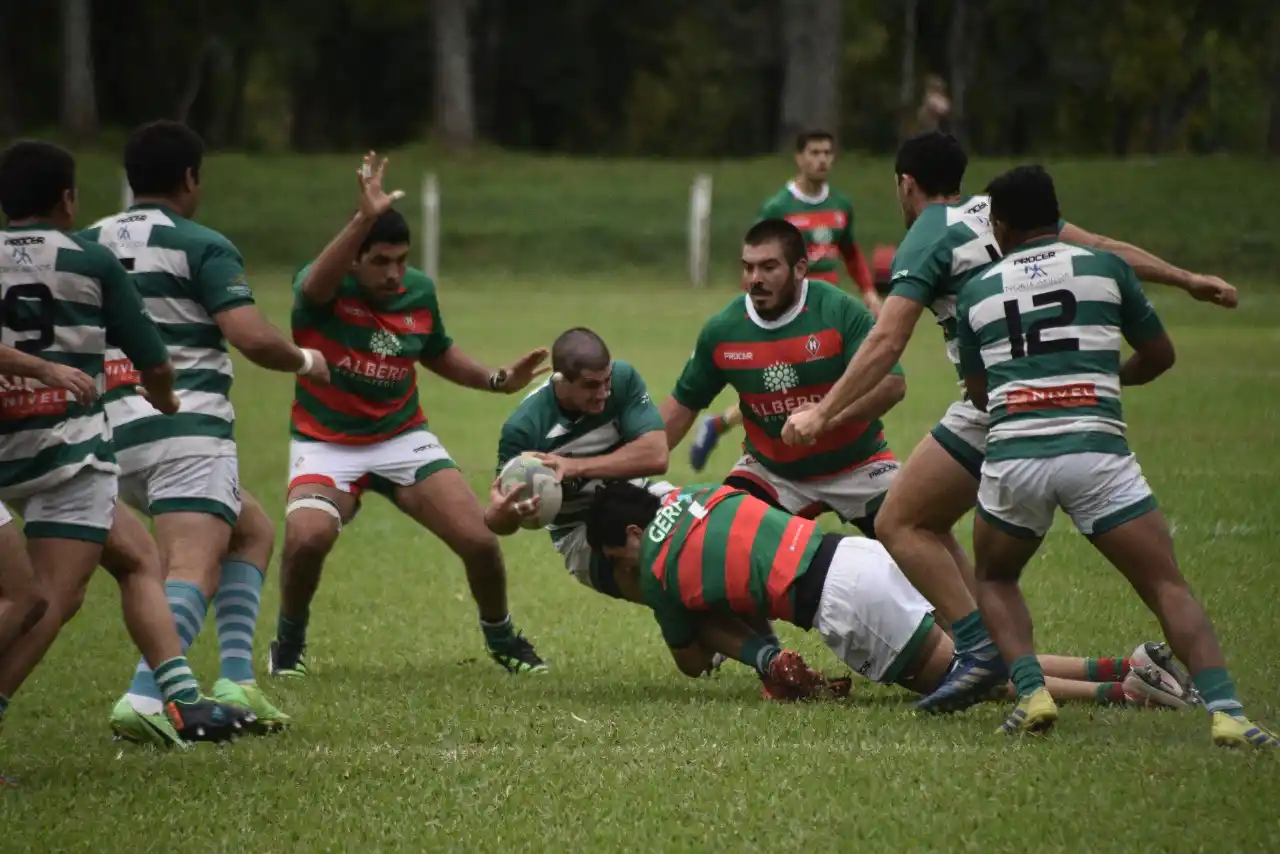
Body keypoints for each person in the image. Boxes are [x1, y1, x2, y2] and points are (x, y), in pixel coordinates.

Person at [781, 132, 1240, 714]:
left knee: (899, 520)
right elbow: (1100, 246)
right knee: (928, 519)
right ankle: (1002, 652)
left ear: (906, 184)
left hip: (997, 405)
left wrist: (822, 412)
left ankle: (979, 651)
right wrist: (1186, 279)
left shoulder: (925, 237)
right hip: (1071, 399)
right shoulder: (995, 215)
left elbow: (887, 337)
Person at [955, 165, 1275, 745]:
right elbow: (1160, 355)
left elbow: (981, 393)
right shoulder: (1107, 268)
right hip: (1097, 452)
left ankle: (1031, 694)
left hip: (1016, 458)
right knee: (1165, 584)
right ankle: (1227, 712)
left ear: (999, 226)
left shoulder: (977, 290)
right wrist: (1102, 380)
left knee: (996, 577)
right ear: (1057, 214)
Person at [0, 140, 253, 751]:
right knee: (40, 600)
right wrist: (165, 400)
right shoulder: (89, 260)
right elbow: (153, 359)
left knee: (136, 555)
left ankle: (182, 699)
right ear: (67, 198)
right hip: (65, 459)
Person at [81, 120, 321, 744]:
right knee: (192, 561)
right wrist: (305, 360)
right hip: (183, 427)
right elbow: (248, 334)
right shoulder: (201, 243)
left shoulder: (86, 242)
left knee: (252, 528)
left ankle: (235, 679)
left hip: (104, 430)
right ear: (190, 178)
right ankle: (143, 694)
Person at [269, 152, 551, 679]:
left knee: (480, 541)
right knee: (307, 539)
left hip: (402, 437)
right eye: (381, 260)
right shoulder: (324, 290)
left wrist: (496, 379)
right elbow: (309, 289)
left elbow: (436, 349)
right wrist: (360, 219)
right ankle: (289, 642)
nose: (396, 273)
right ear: (356, 257)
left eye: (402, 259)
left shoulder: (418, 290)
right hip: (326, 443)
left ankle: (502, 635)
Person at [583, 481, 1194, 710]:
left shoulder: (659, 573)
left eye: (620, 562)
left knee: (975, 679)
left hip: (842, 601)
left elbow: (691, 663)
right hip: (860, 555)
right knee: (976, 655)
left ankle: (1123, 691)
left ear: (634, 535)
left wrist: (672, 607)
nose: (627, 573)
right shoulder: (700, 492)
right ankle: (1127, 665)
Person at [662, 219, 906, 541]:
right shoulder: (723, 331)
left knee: (915, 537)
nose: (754, 280)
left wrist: (825, 417)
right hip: (772, 473)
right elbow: (681, 406)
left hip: (860, 465)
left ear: (800, 268)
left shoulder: (840, 311)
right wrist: (627, 465)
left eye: (768, 268)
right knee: (722, 545)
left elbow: (892, 384)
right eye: (747, 268)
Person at [688, 130, 881, 472]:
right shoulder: (779, 207)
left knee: (833, 388)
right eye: (814, 152)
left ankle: (721, 425)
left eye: (827, 152)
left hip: (829, 315)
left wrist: (867, 290)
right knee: (786, 392)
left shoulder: (840, 205)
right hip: (787, 317)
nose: (822, 159)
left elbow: (850, 251)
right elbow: (756, 259)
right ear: (799, 157)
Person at [485, 328, 675, 592]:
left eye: (606, 381)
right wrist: (507, 514)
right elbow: (497, 521)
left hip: (638, 495)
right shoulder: (524, 428)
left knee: (705, 528)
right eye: (591, 385)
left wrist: (572, 466)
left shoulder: (623, 379)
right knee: (667, 587)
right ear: (560, 380)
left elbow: (656, 455)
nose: (603, 393)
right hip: (580, 530)